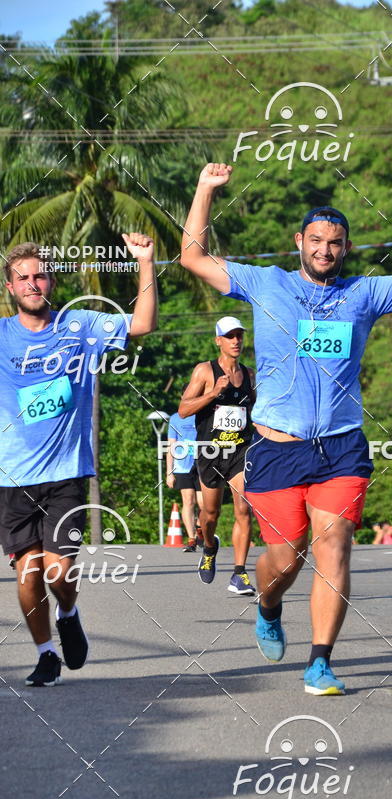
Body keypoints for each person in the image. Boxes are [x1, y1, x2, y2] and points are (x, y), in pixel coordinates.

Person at [181, 162, 392, 695]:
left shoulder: (363, 294)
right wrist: (205, 190)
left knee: (334, 544)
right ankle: (268, 606)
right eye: (316, 240)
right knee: (284, 560)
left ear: (347, 247)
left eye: (335, 243)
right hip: (275, 449)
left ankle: (320, 661)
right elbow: (193, 257)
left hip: (340, 448)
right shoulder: (267, 284)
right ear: (299, 242)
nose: (325, 250)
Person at [0, 235, 158, 686]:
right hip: (12, 477)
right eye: (22, 278)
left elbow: (143, 323)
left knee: (58, 571)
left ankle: (67, 611)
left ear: (51, 280)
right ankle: (46, 653)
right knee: (29, 574)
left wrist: (145, 262)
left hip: (66, 472)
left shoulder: (80, 326)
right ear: (10, 287)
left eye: (39, 275)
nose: (33, 283)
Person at [178, 316, 256, 595]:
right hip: (210, 452)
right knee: (209, 515)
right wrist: (213, 393)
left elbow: (254, 414)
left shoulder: (248, 375)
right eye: (230, 336)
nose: (236, 341)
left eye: (239, 335)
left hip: (240, 451)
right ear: (218, 341)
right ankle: (209, 546)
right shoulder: (204, 371)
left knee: (243, 509)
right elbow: (184, 410)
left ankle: (239, 574)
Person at [166, 411, 204, 551]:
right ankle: (191, 539)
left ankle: (199, 528)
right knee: (188, 501)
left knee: (203, 504)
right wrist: (169, 472)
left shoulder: (204, 414)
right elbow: (171, 446)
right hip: (182, 466)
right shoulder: (175, 418)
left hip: (202, 463)